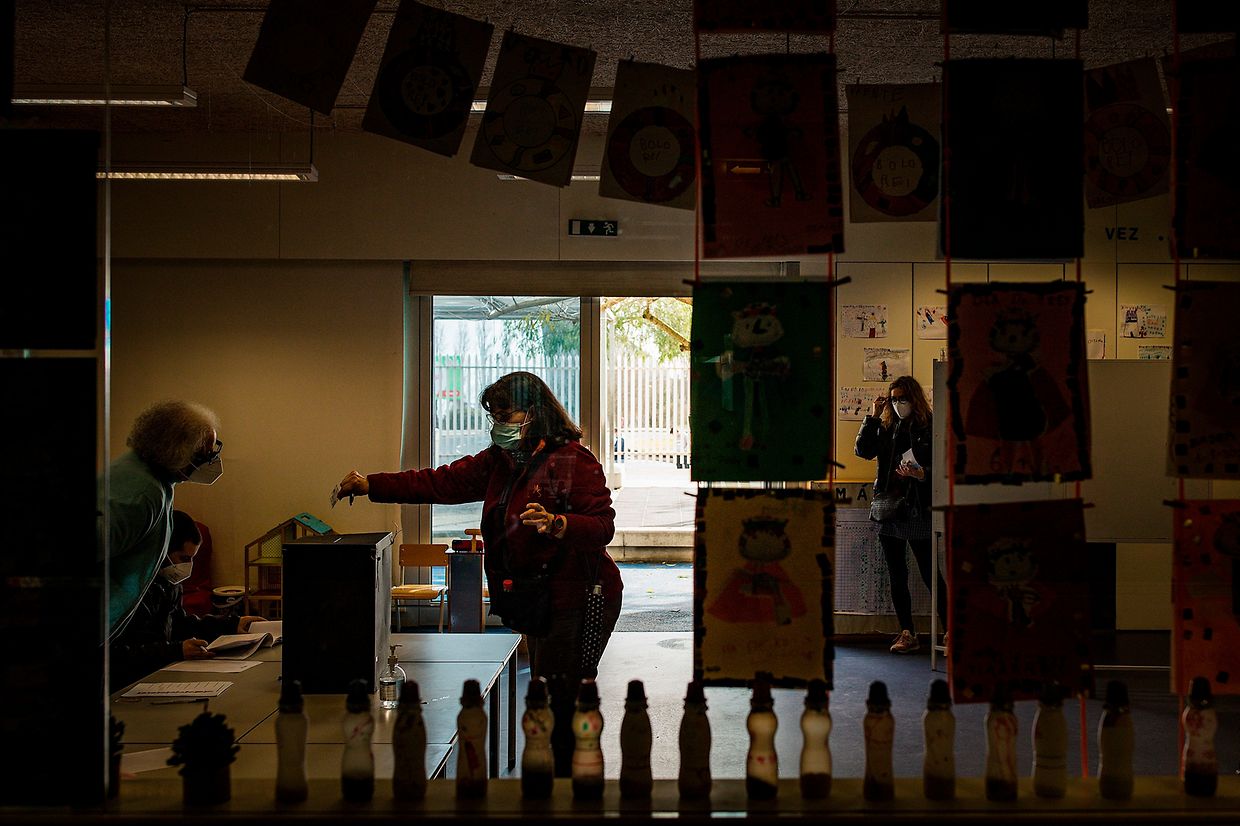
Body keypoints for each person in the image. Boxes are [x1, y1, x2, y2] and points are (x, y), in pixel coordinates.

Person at [334, 371, 623, 776]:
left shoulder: (573, 460)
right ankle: (556, 783)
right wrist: (372, 485)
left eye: (506, 415)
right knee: (550, 696)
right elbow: (441, 482)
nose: (498, 425)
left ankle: (568, 788)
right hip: (540, 598)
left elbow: (602, 526)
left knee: (561, 701)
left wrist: (558, 523)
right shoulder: (503, 460)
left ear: (535, 413)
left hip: (578, 595)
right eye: (495, 416)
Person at [98, 399, 223, 641]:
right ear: (178, 450)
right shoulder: (142, 493)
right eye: (204, 454)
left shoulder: (149, 479)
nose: (210, 461)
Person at [109, 510, 264, 690]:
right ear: (161, 550)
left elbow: (179, 623)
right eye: (183, 558)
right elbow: (118, 655)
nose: (187, 566)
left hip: (157, 675)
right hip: (126, 686)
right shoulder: (127, 590)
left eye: (191, 559)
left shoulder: (169, 582)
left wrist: (231, 624)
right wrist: (177, 650)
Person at [854, 375, 947, 654]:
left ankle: (949, 630)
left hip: (918, 508)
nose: (897, 404)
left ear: (914, 399)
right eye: (893, 399)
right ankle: (907, 632)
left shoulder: (928, 427)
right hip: (888, 508)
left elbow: (941, 468)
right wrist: (872, 417)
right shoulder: (886, 426)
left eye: (902, 399)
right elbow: (862, 451)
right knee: (897, 574)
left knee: (931, 573)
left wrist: (921, 474)